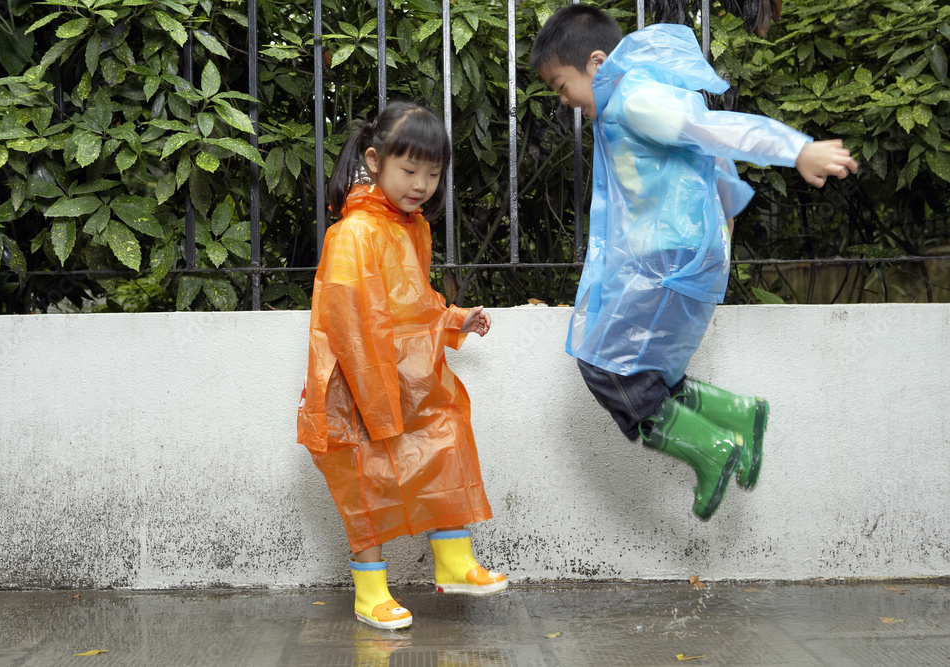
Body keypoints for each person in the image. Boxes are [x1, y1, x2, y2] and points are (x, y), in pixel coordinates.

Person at [530, 5, 857, 520]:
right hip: (671, 257)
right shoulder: (627, 101)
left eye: (560, 84)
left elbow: (716, 131)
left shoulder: (636, 99)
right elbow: (702, 159)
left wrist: (797, 150)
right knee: (646, 369)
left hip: (667, 260)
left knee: (602, 365)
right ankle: (739, 415)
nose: (564, 99)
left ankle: (712, 451)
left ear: (595, 63)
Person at [297, 101, 508, 630]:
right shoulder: (352, 232)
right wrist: (374, 397)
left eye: (432, 174)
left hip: (402, 378)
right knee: (361, 482)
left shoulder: (410, 228)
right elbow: (345, 322)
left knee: (447, 434)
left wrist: (456, 319)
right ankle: (370, 593)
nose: (421, 185)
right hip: (355, 383)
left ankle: (454, 561)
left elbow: (415, 302)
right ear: (375, 160)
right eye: (409, 170)